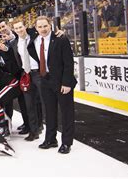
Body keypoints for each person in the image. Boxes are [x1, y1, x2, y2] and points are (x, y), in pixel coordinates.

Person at [27, 16, 76, 154]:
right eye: (40, 27)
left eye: (45, 26)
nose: (43, 29)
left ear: (50, 25)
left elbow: (69, 62)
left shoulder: (61, 39)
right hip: (45, 79)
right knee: (49, 111)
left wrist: (66, 83)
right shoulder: (34, 39)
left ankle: (66, 142)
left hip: (61, 81)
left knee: (66, 112)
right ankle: (50, 139)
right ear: (35, 28)